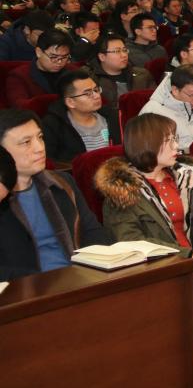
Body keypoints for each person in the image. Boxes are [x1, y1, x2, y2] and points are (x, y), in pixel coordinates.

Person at [94, 113, 193, 354]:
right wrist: (188, 258)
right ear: (147, 144)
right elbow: (131, 241)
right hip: (165, 265)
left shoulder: (186, 178)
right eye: (169, 140)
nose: (177, 146)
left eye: (176, 139)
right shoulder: (123, 190)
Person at [0, 110, 112, 280]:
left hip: (80, 278)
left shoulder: (62, 183)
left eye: (40, 137)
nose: (39, 148)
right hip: (27, 289)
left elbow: (93, 231)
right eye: (26, 142)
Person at [42, 70, 117, 163]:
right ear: (70, 102)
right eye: (88, 93)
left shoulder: (112, 116)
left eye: (96, 90)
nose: (97, 96)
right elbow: (51, 162)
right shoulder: (53, 126)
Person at [89, 34, 155, 125]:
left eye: (124, 50)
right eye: (117, 51)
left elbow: (156, 102)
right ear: (102, 57)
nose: (124, 55)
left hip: (144, 123)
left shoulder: (142, 75)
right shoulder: (91, 80)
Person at [6, 29, 72, 103]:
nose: (59, 62)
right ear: (39, 52)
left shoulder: (72, 72)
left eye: (64, 57)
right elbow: (20, 106)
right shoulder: (19, 77)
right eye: (53, 57)